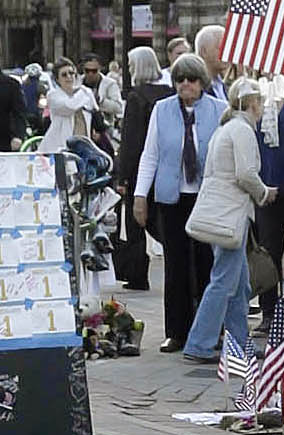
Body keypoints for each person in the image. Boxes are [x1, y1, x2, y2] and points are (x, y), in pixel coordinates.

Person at [134, 54, 222, 351]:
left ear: (202, 83)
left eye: (192, 79)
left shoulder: (219, 110)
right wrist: (139, 196)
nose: (185, 84)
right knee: (175, 266)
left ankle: (211, 328)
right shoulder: (162, 110)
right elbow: (150, 156)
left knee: (207, 264)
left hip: (207, 198)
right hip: (172, 198)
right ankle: (177, 331)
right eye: (180, 79)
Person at [182, 77, 269, 363]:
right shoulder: (242, 130)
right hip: (231, 214)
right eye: (261, 102)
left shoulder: (227, 127)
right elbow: (245, 174)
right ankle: (200, 342)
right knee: (223, 281)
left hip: (223, 211)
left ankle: (238, 341)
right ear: (253, 103)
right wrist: (265, 193)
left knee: (239, 283)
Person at [115, 44, 167, 285]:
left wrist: (122, 175)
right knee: (162, 219)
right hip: (165, 166)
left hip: (140, 167)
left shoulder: (136, 97)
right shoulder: (169, 93)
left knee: (136, 223)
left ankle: (137, 274)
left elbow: (131, 139)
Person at [44, 59, 109, 180]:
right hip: (61, 147)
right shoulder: (53, 95)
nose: (69, 77)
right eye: (64, 74)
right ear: (57, 79)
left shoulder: (84, 93)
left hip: (85, 147)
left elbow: (96, 112)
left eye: (71, 73)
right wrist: (84, 91)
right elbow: (70, 106)